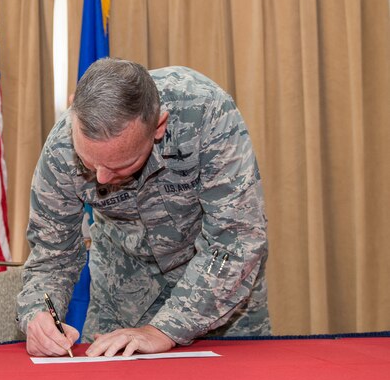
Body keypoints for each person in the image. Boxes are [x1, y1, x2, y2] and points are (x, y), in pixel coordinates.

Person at [17, 58, 269, 357]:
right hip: (121, 300)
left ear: (158, 126)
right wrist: (37, 314)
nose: (101, 178)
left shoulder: (206, 113)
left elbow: (236, 238)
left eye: (121, 165)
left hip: (218, 298)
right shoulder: (61, 148)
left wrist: (165, 328)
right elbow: (52, 254)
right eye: (89, 163)